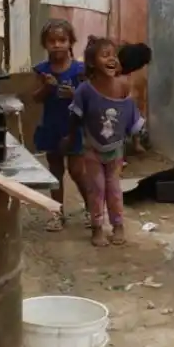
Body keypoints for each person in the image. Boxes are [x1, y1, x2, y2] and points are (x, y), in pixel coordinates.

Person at [64, 36, 145, 247]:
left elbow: (130, 115)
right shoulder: (85, 90)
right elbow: (75, 117)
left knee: (114, 188)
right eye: (105, 55)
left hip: (116, 149)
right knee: (96, 188)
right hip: (91, 147)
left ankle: (118, 226)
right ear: (92, 63)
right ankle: (97, 228)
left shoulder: (123, 87)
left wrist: (135, 142)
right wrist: (70, 138)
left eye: (114, 55)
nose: (112, 59)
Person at [32, 19, 89, 231]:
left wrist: (74, 95)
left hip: (74, 127)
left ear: (70, 42)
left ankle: (91, 209)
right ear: (45, 44)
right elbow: (35, 98)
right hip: (52, 125)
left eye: (62, 40)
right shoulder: (42, 71)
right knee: (55, 171)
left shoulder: (80, 70)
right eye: (52, 41)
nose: (57, 45)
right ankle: (57, 213)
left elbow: (90, 99)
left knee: (77, 171)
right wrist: (47, 88)